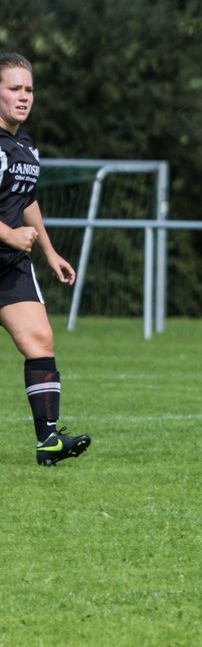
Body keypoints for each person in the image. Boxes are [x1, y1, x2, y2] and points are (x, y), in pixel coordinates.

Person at [0, 53, 91, 466]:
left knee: (40, 341)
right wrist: (10, 233)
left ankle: (49, 440)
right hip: (7, 246)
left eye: (29, 89)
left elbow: (26, 199)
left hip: (11, 266)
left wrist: (50, 252)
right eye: (13, 88)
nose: (23, 97)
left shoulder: (26, 146)